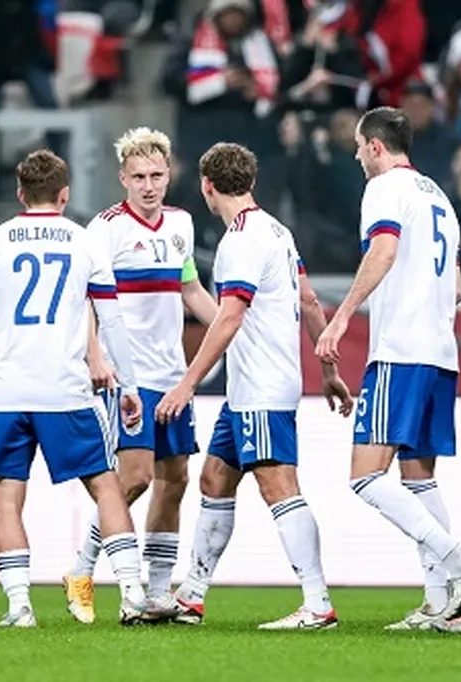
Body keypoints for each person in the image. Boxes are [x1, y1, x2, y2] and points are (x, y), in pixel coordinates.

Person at [155, 142, 354, 629]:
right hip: (247, 390)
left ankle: (317, 603)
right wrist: (328, 369)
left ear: (207, 186)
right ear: (251, 181)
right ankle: (192, 595)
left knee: (278, 486)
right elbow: (309, 301)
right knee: (215, 479)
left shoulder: (240, 240)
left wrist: (186, 384)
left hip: (262, 387)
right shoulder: (276, 230)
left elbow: (228, 318)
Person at [315, 106, 461, 629]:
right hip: (440, 353)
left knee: (365, 476)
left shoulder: (384, 188)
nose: (356, 156)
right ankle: (439, 603)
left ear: (376, 146)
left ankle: (459, 563)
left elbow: (383, 252)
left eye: (358, 146)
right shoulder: (439, 198)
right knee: (418, 477)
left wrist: (341, 316)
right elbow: (457, 288)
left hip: (401, 349)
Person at [0, 150, 145, 627]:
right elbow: (111, 319)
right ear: (65, 195)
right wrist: (128, 383)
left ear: (20, 194)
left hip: (7, 390)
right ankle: (132, 594)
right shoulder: (85, 242)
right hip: (65, 389)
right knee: (106, 487)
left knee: (7, 497)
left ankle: (19, 606)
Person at [62, 128, 218, 625]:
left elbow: (190, 289)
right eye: (138, 177)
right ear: (122, 179)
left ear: (169, 175)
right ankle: (81, 569)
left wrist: (232, 329)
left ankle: (157, 591)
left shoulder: (181, 224)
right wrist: (94, 357)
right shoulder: (105, 229)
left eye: (156, 175)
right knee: (133, 479)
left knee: (175, 479)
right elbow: (85, 301)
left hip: (173, 374)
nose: (148, 186)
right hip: (129, 376)